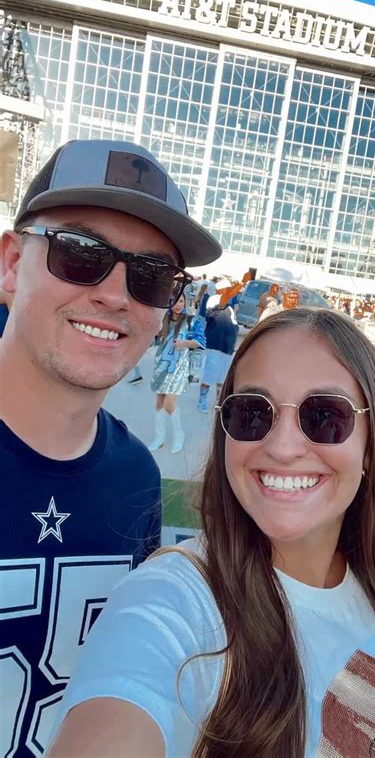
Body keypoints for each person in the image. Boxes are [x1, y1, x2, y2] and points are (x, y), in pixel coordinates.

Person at [47, 307, 375, 758]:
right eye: (251, 413)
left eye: (325, 415)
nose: (283, 448)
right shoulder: (178, 601)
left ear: (372, 445)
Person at [0, 138, 221, 756]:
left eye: (152, 276)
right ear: (12, 263)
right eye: (80, 253)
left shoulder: (136, 478)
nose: (116, 295)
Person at [149, 295, 205, 453]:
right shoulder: (163, 320)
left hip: (179, 368)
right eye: (175, 301)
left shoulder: (191, 321)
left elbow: (201, 342)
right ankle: (159, 438)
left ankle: (179, 436)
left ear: (186, 302)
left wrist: (184, 343)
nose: (178, 304)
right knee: (159, 402)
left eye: (181, 301)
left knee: (169, 404)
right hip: (161, 366)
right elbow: (153, 340)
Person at [197, 300, 239, 412]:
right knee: (209, 375)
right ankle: (202, 400)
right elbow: (205, 317)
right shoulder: (214, 303)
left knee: (222, 379)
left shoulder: (230, 309)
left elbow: (235, 325)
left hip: (228, 348)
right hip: (214, 346)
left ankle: (219, 402)